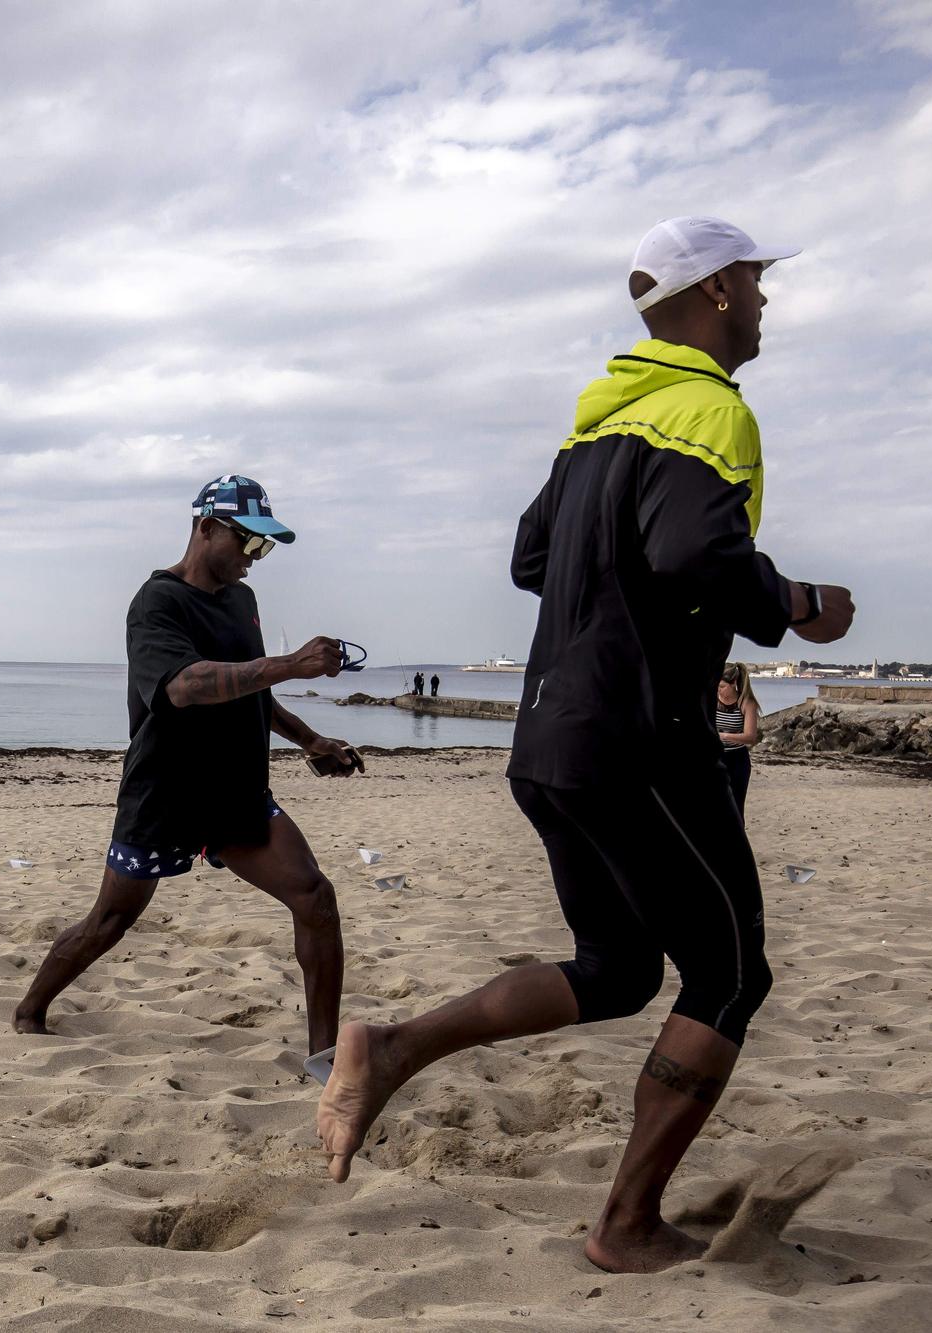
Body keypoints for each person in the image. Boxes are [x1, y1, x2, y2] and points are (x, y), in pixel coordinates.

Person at [316, 217, 857, 1273]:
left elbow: (530, 557)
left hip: (548, 742)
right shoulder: (709, 408)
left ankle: (391, 1047)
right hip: (641, 743)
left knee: (615, 971)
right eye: (754, 281)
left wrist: (610, 575)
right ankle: (623, 1224)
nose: (763, 301)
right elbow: (693, 547)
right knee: (729, 976)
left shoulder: (594, 425)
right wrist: (791, 601)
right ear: (714, 291)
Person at [14, 475, 363, 1056]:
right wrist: (289, 663)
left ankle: (324, 1060)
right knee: (110, 922)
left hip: (235, 793)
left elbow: (250, 689)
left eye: (265, 546)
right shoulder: (157, 603)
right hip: (165, 794)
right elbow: (183, 687)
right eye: (249, 542)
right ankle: (31, 1011)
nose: (257, 558)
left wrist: (310, 739)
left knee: (315, 898)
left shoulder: (242, 599)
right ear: (206, 528)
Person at [715, 662, 760, 811]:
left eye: (722, 687)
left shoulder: (746, 703)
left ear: (733, 683)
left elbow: (750, 737)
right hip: (714, 758)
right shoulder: (712, 700)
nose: (719, 690)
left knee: (735, 808)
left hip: (737, 760)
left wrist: (724, 736)